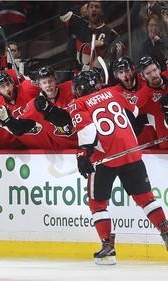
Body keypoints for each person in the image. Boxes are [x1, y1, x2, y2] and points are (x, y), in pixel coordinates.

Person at [69, 70, 168, 265]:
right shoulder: (114, 93)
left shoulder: (77, 103)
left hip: (105, 158)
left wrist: (83, 155)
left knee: (97, 203)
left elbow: (88, 130)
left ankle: (108, 248)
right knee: (145, 198)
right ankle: (165, 231)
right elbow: (134, 113)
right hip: (131, 153)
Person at [0, 66, 78, 149]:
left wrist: (49, 110)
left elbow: (69, 119)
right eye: (44, 82)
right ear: (39, 85)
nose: (48, 85)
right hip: (64, 151)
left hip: (87, 142)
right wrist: (8, 121)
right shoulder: (35, 105)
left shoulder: (71, 88)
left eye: (50, 81)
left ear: (56, 80)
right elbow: (20, 129)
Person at [59, 1, 123, 73]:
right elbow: (63, 14)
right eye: (91, 7)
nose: (94, 9)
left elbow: (120, 51)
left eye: (97, 7)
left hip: (99, 79)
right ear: (87, 11)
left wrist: (105, 44)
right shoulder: (79, 25)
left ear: (102, 12)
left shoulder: (110, 33)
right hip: (79, 77)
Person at [109, 56, 157, 146]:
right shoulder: (114, 92)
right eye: (121, 72)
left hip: (156, 131)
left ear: (133, 70)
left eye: (127, 70)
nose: (125, 75)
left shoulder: (145, 79)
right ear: (116, 75)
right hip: (137, 137)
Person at [136, 56, 168, 149]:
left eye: (154, 70)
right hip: (166, 144)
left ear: (159, 68)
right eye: (148, 73)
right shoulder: (142, 97)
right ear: (142, 76)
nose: (153, 75)